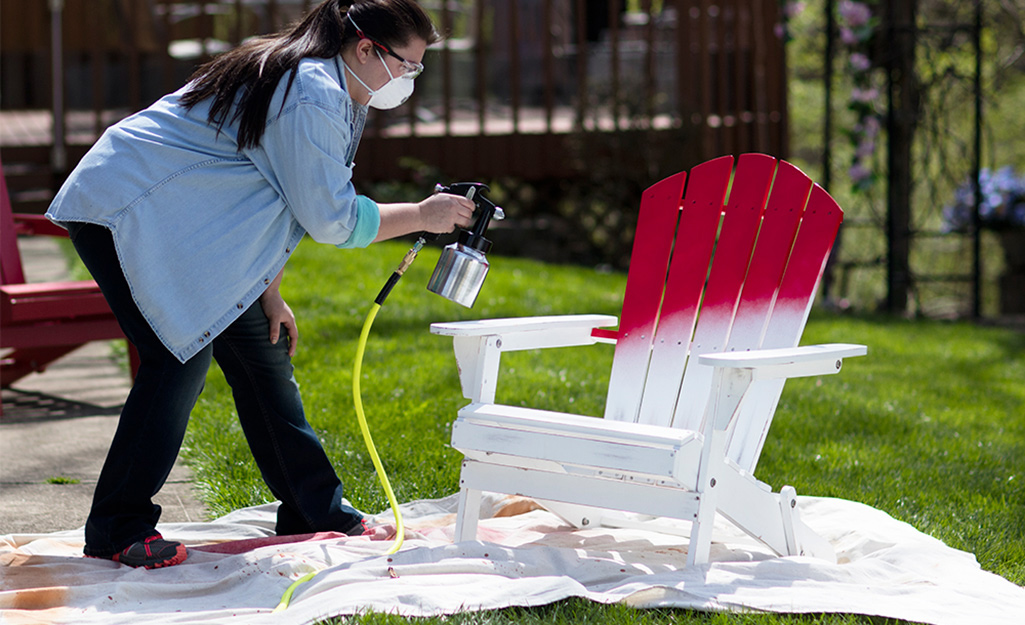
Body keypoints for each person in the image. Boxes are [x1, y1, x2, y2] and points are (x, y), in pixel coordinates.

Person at [45, 0, 474, 569]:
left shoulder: (329, 84)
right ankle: (116, 528)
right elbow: (331, 220)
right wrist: (423, 215)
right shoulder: (312, 91)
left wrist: (266, 290)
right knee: (177, 361)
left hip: (181, 221)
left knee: (261, 354)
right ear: (366, 48)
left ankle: (314, 510)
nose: (408, 80)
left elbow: (274, 196)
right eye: (407, 65)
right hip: (127, 210)